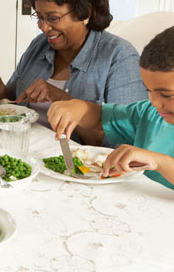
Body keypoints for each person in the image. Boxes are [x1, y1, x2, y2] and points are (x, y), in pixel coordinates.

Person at [0, 0, 147, 143]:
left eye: (53, 18)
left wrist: (60, 97)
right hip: (21, 150)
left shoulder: (120, 58)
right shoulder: (40, 45)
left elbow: (122, 143)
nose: (43, 27)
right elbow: (14, 102)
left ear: (85, 12)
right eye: (39, 17)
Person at [48, 26, 174, 189]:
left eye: (167, 95)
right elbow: (100, 117)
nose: (155, 102)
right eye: (148, 90)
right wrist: (78, 108)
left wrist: (160, 162)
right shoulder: (149, 113)